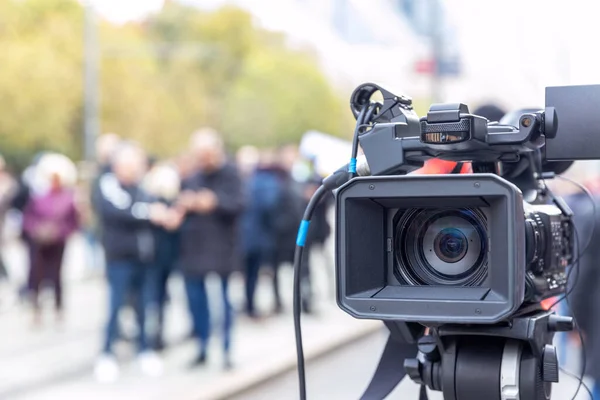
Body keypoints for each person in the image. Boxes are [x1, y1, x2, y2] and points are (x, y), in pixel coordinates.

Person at [93, 143, 179, 382]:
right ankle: (107, 354)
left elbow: (156, 206)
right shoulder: (108, 184)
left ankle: (145, 349)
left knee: (144, 306)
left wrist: (166, 212)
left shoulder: (142, 187)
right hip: (120, 257)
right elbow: (120, 212)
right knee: (115, 306)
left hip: (145, 257)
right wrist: (151, 213)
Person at [176, 128, 244, 369]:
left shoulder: (231, 174)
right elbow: (180, 206)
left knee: (224, 301)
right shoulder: (191, 178)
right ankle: (202, 346)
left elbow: (239, 204)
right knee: (196, 301)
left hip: (221, 248)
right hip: (194, 248)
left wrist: (214, 202)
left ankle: (226, 349)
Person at [22, 153, 78, 325]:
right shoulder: (38, 197)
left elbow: (73, 221)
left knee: (56, 276)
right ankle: (36, 309)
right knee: (36, 275)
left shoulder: (67, 198)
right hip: (39, 241)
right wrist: (36, 230)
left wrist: (59, 231)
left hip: (58, 241)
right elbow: (28, 218)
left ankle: (58, 308)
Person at [142, 162, 182, 351]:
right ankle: (155, 333)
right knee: (157, 297)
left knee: (155, 296)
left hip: (159, 257)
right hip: (159, 257)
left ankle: (155, 334)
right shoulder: (153, 202)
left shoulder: (161, 202)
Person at [240, 149, 280, 318]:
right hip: (259, 236)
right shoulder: (267, 182)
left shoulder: (248, 182)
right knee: (255, 273)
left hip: (249, 237)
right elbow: (271, 207)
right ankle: (252, 305)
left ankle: (250, 304)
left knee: (250, 274)